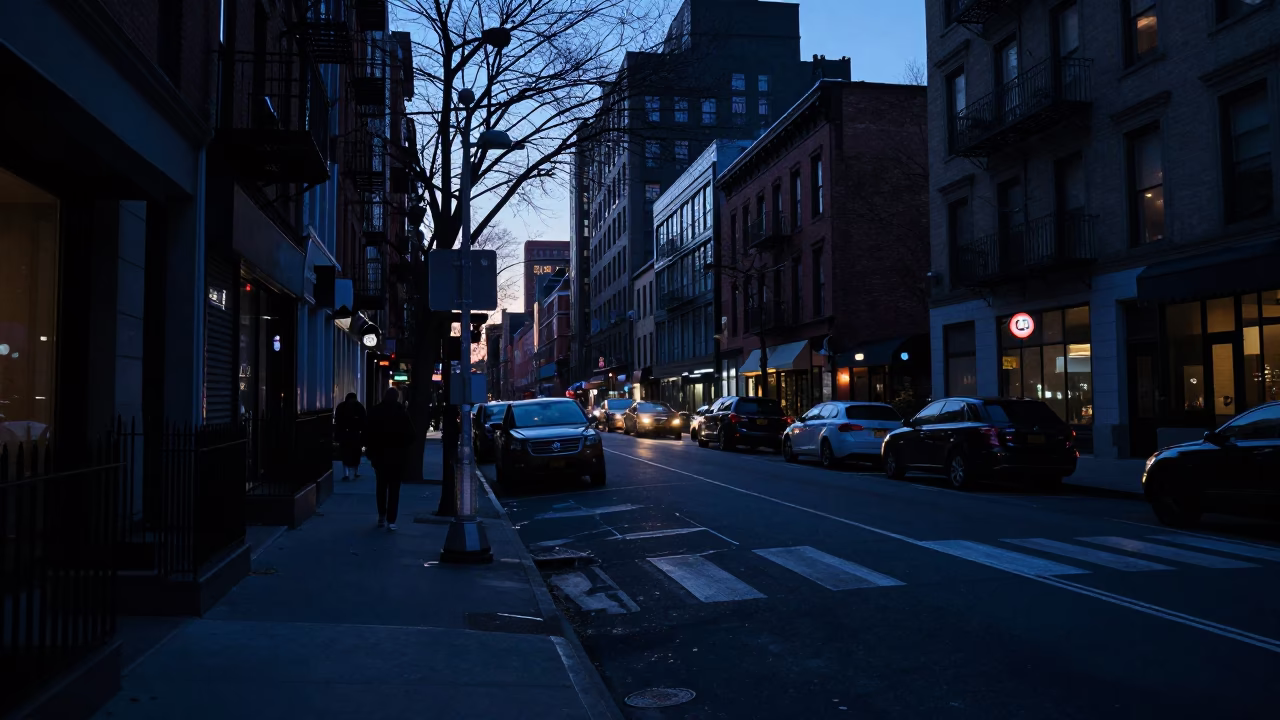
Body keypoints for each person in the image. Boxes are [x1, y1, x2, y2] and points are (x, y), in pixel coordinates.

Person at [365, 387, 416, 530]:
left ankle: (381, 514)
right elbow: (412, 435)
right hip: (397, 456)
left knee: (381, 486)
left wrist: (371, 450)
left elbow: (367, 433)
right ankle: (391, 519)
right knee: (394, 489)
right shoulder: (401, 412)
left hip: (380, 455)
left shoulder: (375, 411)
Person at [333, 392, 366, 480]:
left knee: (345, 454)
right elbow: (363, 421)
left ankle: (346, 473)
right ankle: (355, 472)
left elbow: (338, 421)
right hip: (355, 434)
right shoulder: (359, 407)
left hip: (345, 434)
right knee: (356, 454)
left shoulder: (341, 407)